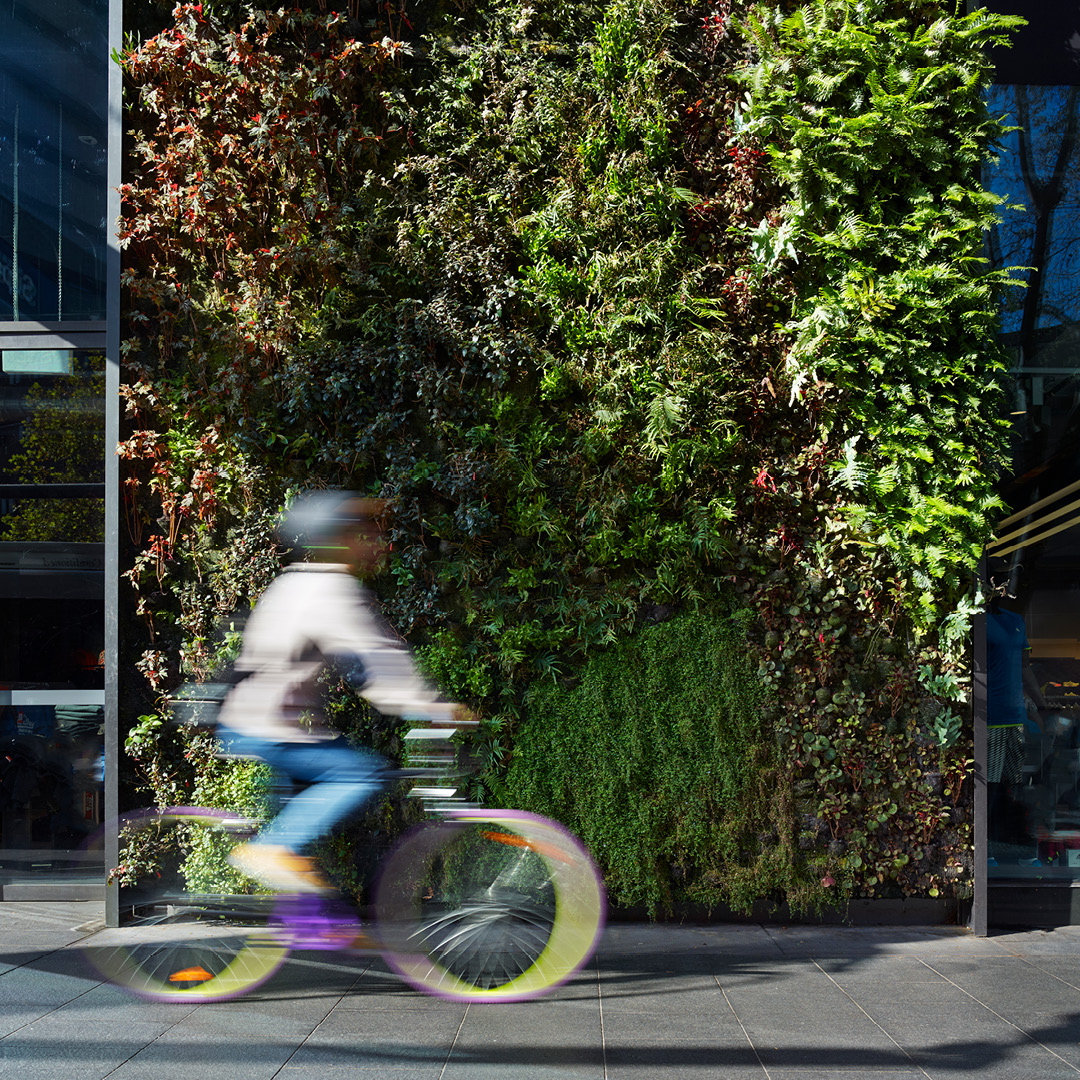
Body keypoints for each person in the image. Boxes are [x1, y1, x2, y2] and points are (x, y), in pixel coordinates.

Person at [218, 491, 460, 893]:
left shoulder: (292, 583)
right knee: (362, 774)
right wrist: (435, 707)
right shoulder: (332, 591)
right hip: (273, 728)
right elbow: (379, 667)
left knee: (305, 847)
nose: (375, 543)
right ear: (338, 539)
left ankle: (308, 923)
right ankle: (271, 849)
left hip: (249, 721)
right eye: (363, 533)